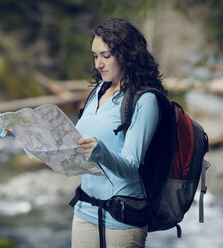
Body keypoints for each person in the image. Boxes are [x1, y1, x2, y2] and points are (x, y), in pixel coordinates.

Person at [71, 18, 166, 248]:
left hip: (123, 217)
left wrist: (100, 152)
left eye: (106, 55)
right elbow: (72, 142)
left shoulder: (145, 100)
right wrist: (23, 130)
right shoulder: (97, 91)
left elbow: (131, 165)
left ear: (126, 54)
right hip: (84, 211)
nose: (98, 64)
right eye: (95, 56)